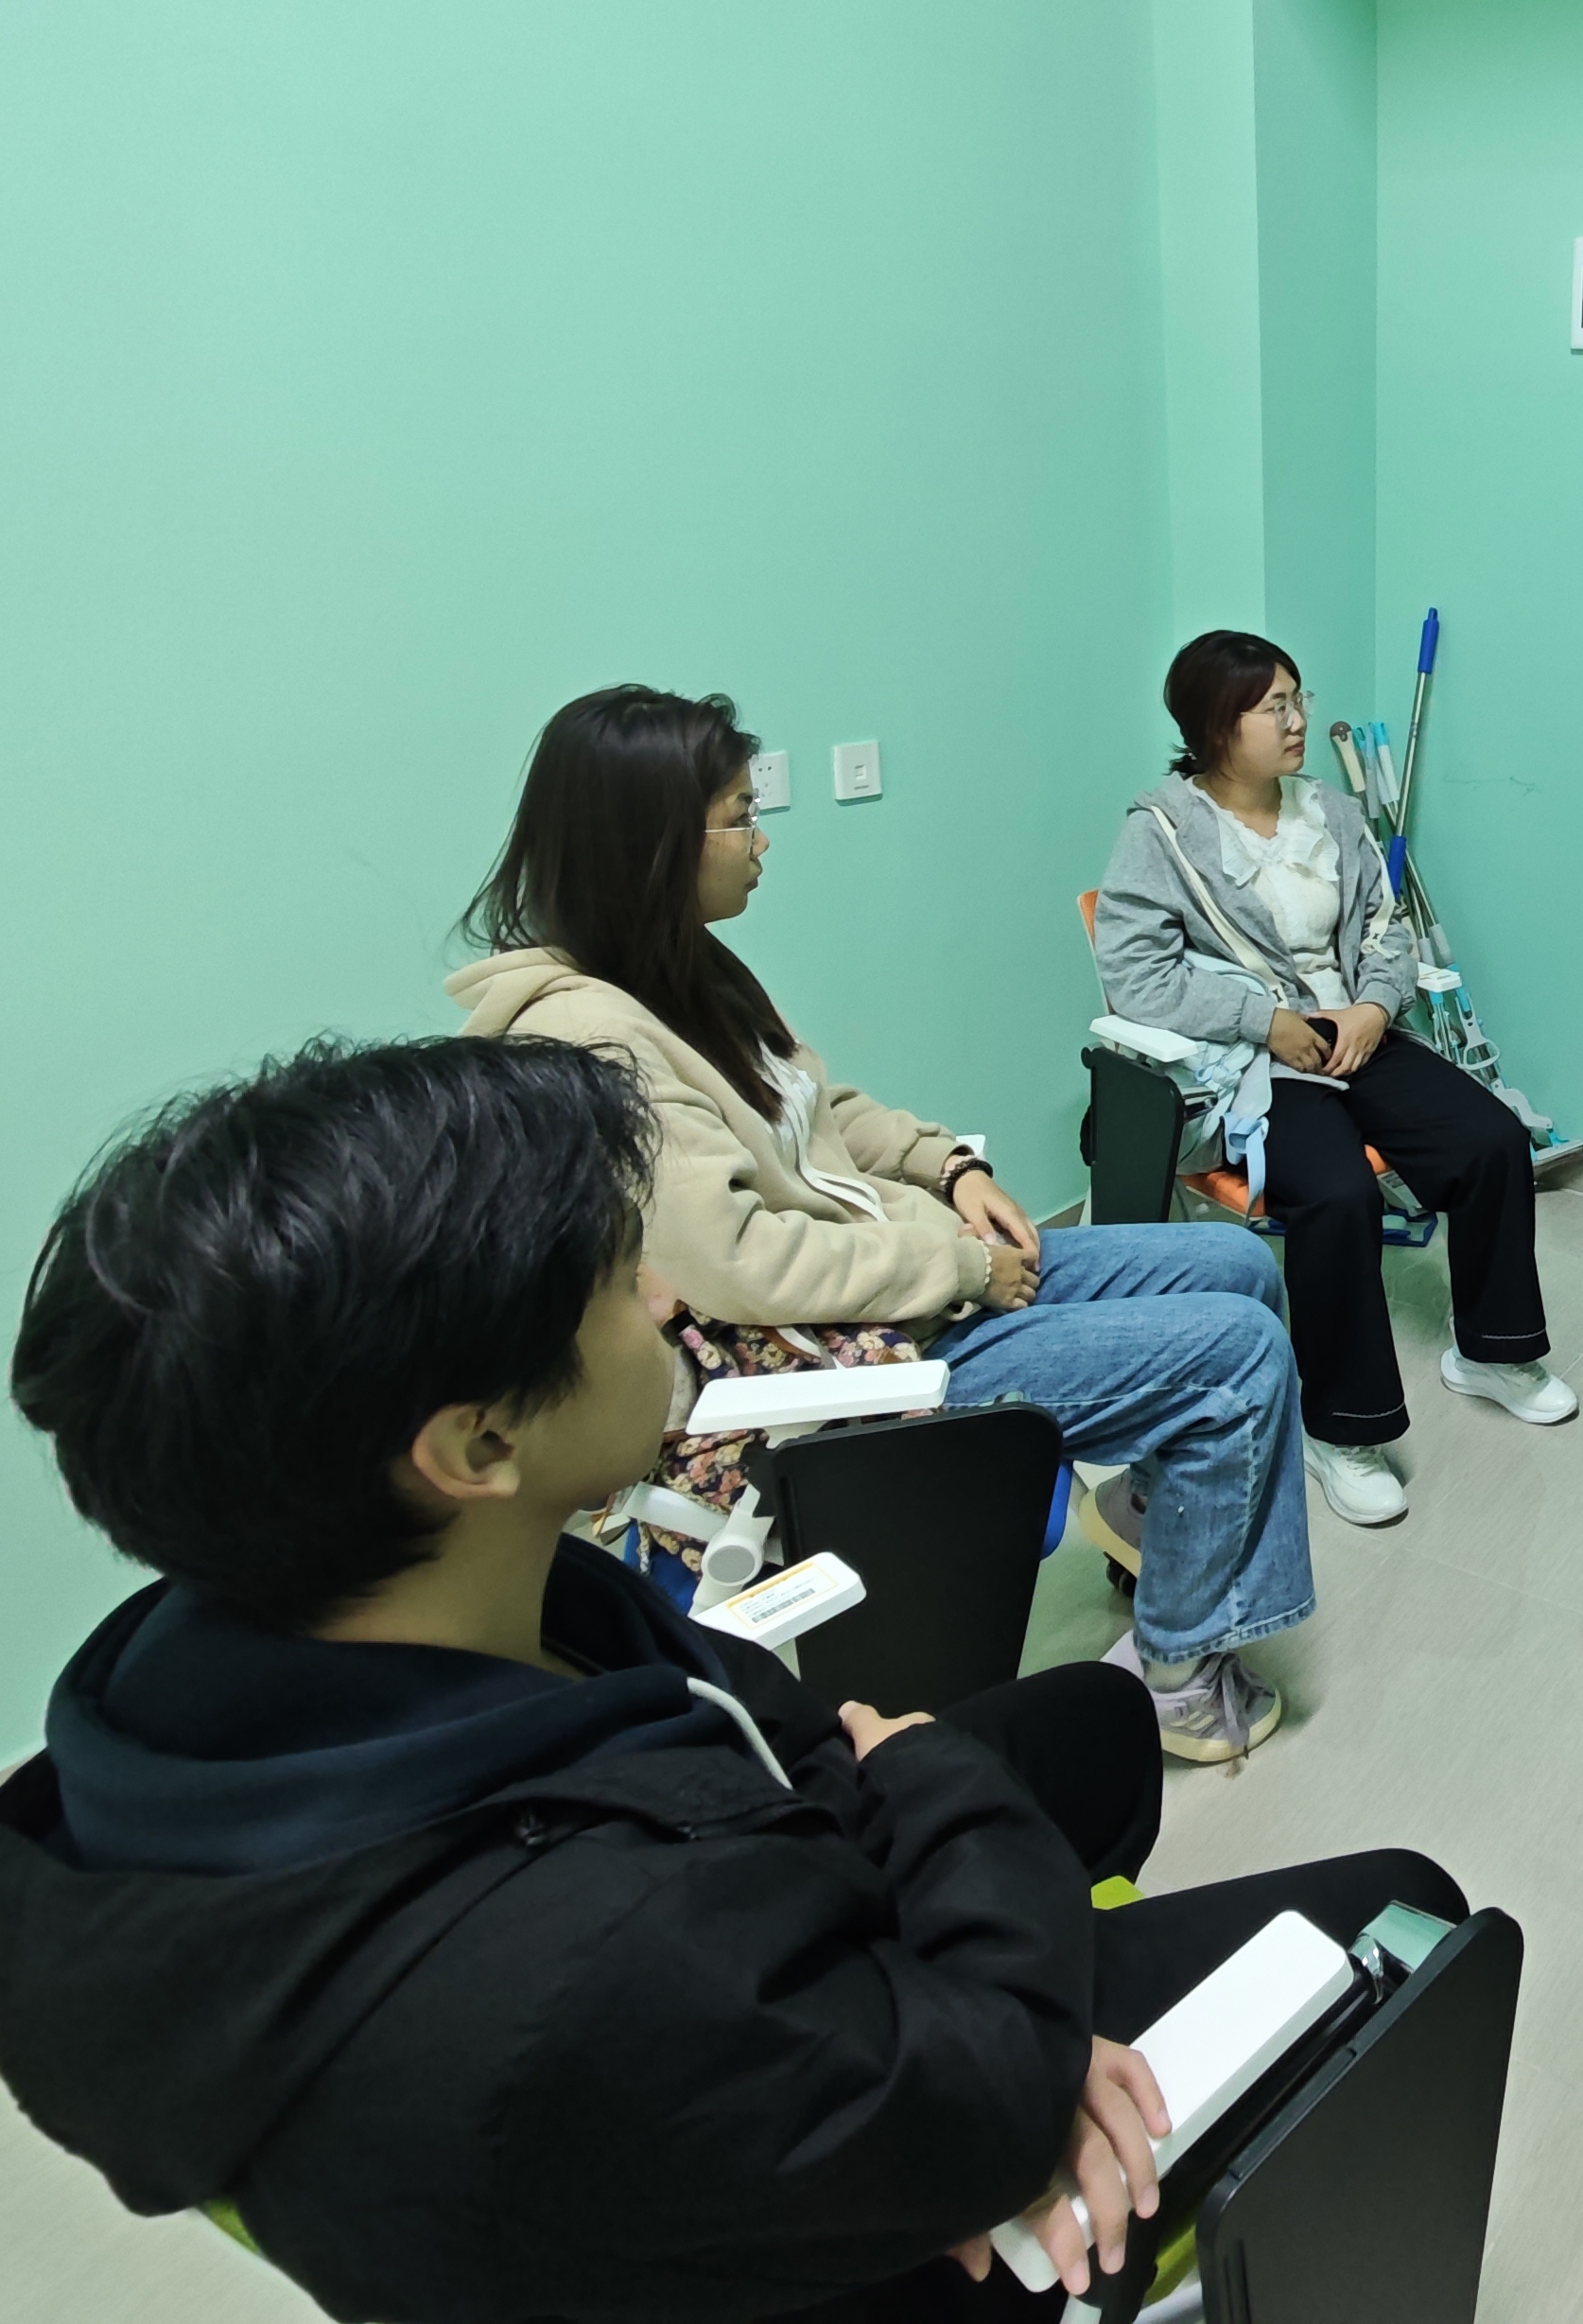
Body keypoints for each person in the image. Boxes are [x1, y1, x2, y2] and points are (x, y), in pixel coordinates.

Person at [0, 1037, 1463, 2324]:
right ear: (477, 1443)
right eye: (613, 1284)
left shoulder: (293, 1636)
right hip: (867, 2190)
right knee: (1410, 1908)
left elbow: (762, 1723)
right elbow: (948, 2055)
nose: (666, 1290)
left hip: (746, 1954)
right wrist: (1003, 2048)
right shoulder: (585, 1975)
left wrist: (894, 1800)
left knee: (1098, 1723)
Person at [453, 685, 1301, 1765]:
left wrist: (948, 1166)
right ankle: (1181, 1676)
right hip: (840, 1363)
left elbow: (815, 1108)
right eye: (741, 816)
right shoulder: (595, 1042)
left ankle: (1159, 1530)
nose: (762, 841)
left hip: (897, 1286)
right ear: (655, 843)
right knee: (1238, 1355)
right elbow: (742, 1261)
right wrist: (959, 1263)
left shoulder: (678, 966)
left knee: (1234, 1261)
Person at [1095, 630, 1570, 1533]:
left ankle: (1492, 1350)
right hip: (1256, 1065)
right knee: (1338, 1191)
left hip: (1354, 1035)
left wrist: (1375, 1009)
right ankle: (1341, 1430)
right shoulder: (1161, 832)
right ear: (1215, 725)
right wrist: (1264, 1021)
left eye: (1298, 698)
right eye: (1273, 706)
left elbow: (1387, 930)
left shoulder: (1332, 812)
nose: (1297, 720)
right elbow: (1136, 977)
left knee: (1492, 1140)